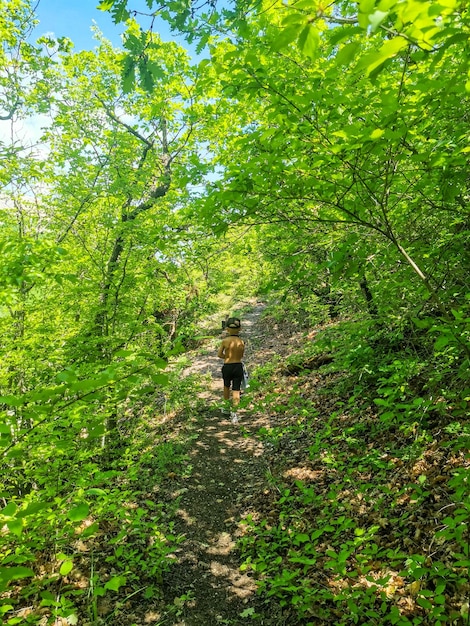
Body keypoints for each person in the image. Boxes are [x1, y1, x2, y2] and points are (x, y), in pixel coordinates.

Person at [217, 317, 245, 424]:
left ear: (227, 329)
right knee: (236, 389)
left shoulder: (225, 341)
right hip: (238, 366)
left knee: (226, 386)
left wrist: (227, 357)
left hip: (227, 366)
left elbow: (219, 354)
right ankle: (235, 413)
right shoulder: (241, 342)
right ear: (240, 329)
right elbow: (241, 355)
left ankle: (226, 407)